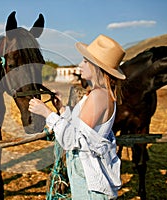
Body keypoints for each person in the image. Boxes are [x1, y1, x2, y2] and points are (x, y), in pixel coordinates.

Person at [29, 34, 126, 199]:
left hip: (89, 179)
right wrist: (62, 109)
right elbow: (82, 130)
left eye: (85, 61)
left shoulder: (98, 96)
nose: (80, 65)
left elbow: (72, 139)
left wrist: (47, 113)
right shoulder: (100, 94)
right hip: (86, 172)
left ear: (96, 66)